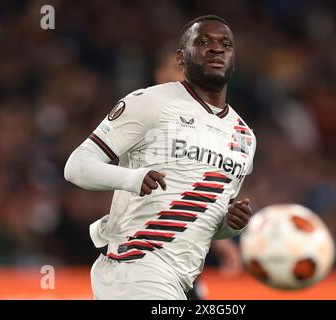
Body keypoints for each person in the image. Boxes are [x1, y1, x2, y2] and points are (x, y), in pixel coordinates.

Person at [64, 15, 256, 300]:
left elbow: (201, 224)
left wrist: (229, 225)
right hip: (135, 267)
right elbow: (76, 167)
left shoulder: (245, 137)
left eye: (225, 44)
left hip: (180, 280)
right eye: (204, 42)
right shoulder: (150, 102)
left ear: (234, 60)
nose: (217, 49)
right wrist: (132, 178)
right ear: (181, 57)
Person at [154, 46, 244, 299]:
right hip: (140, 248)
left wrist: (222, 241)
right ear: (159, 74)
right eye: (175, 69)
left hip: (181, 252)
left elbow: (196, 191)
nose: (182, 77)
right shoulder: (145, 116)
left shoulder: (203, 127)